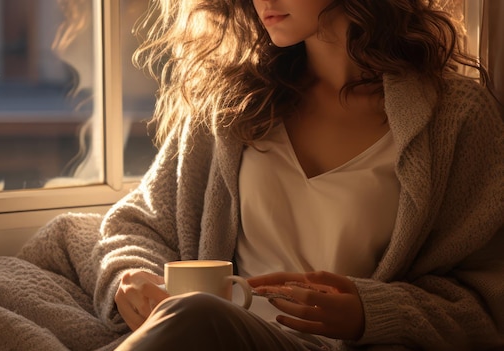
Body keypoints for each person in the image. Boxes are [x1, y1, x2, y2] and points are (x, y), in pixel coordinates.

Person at [86, 0, 504, 350]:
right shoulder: (232, 103)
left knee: (196, 312)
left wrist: (370, 311)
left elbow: (488, 301)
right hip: (214, 334)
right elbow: (136, 224)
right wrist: (130, 277)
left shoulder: (455, 116)